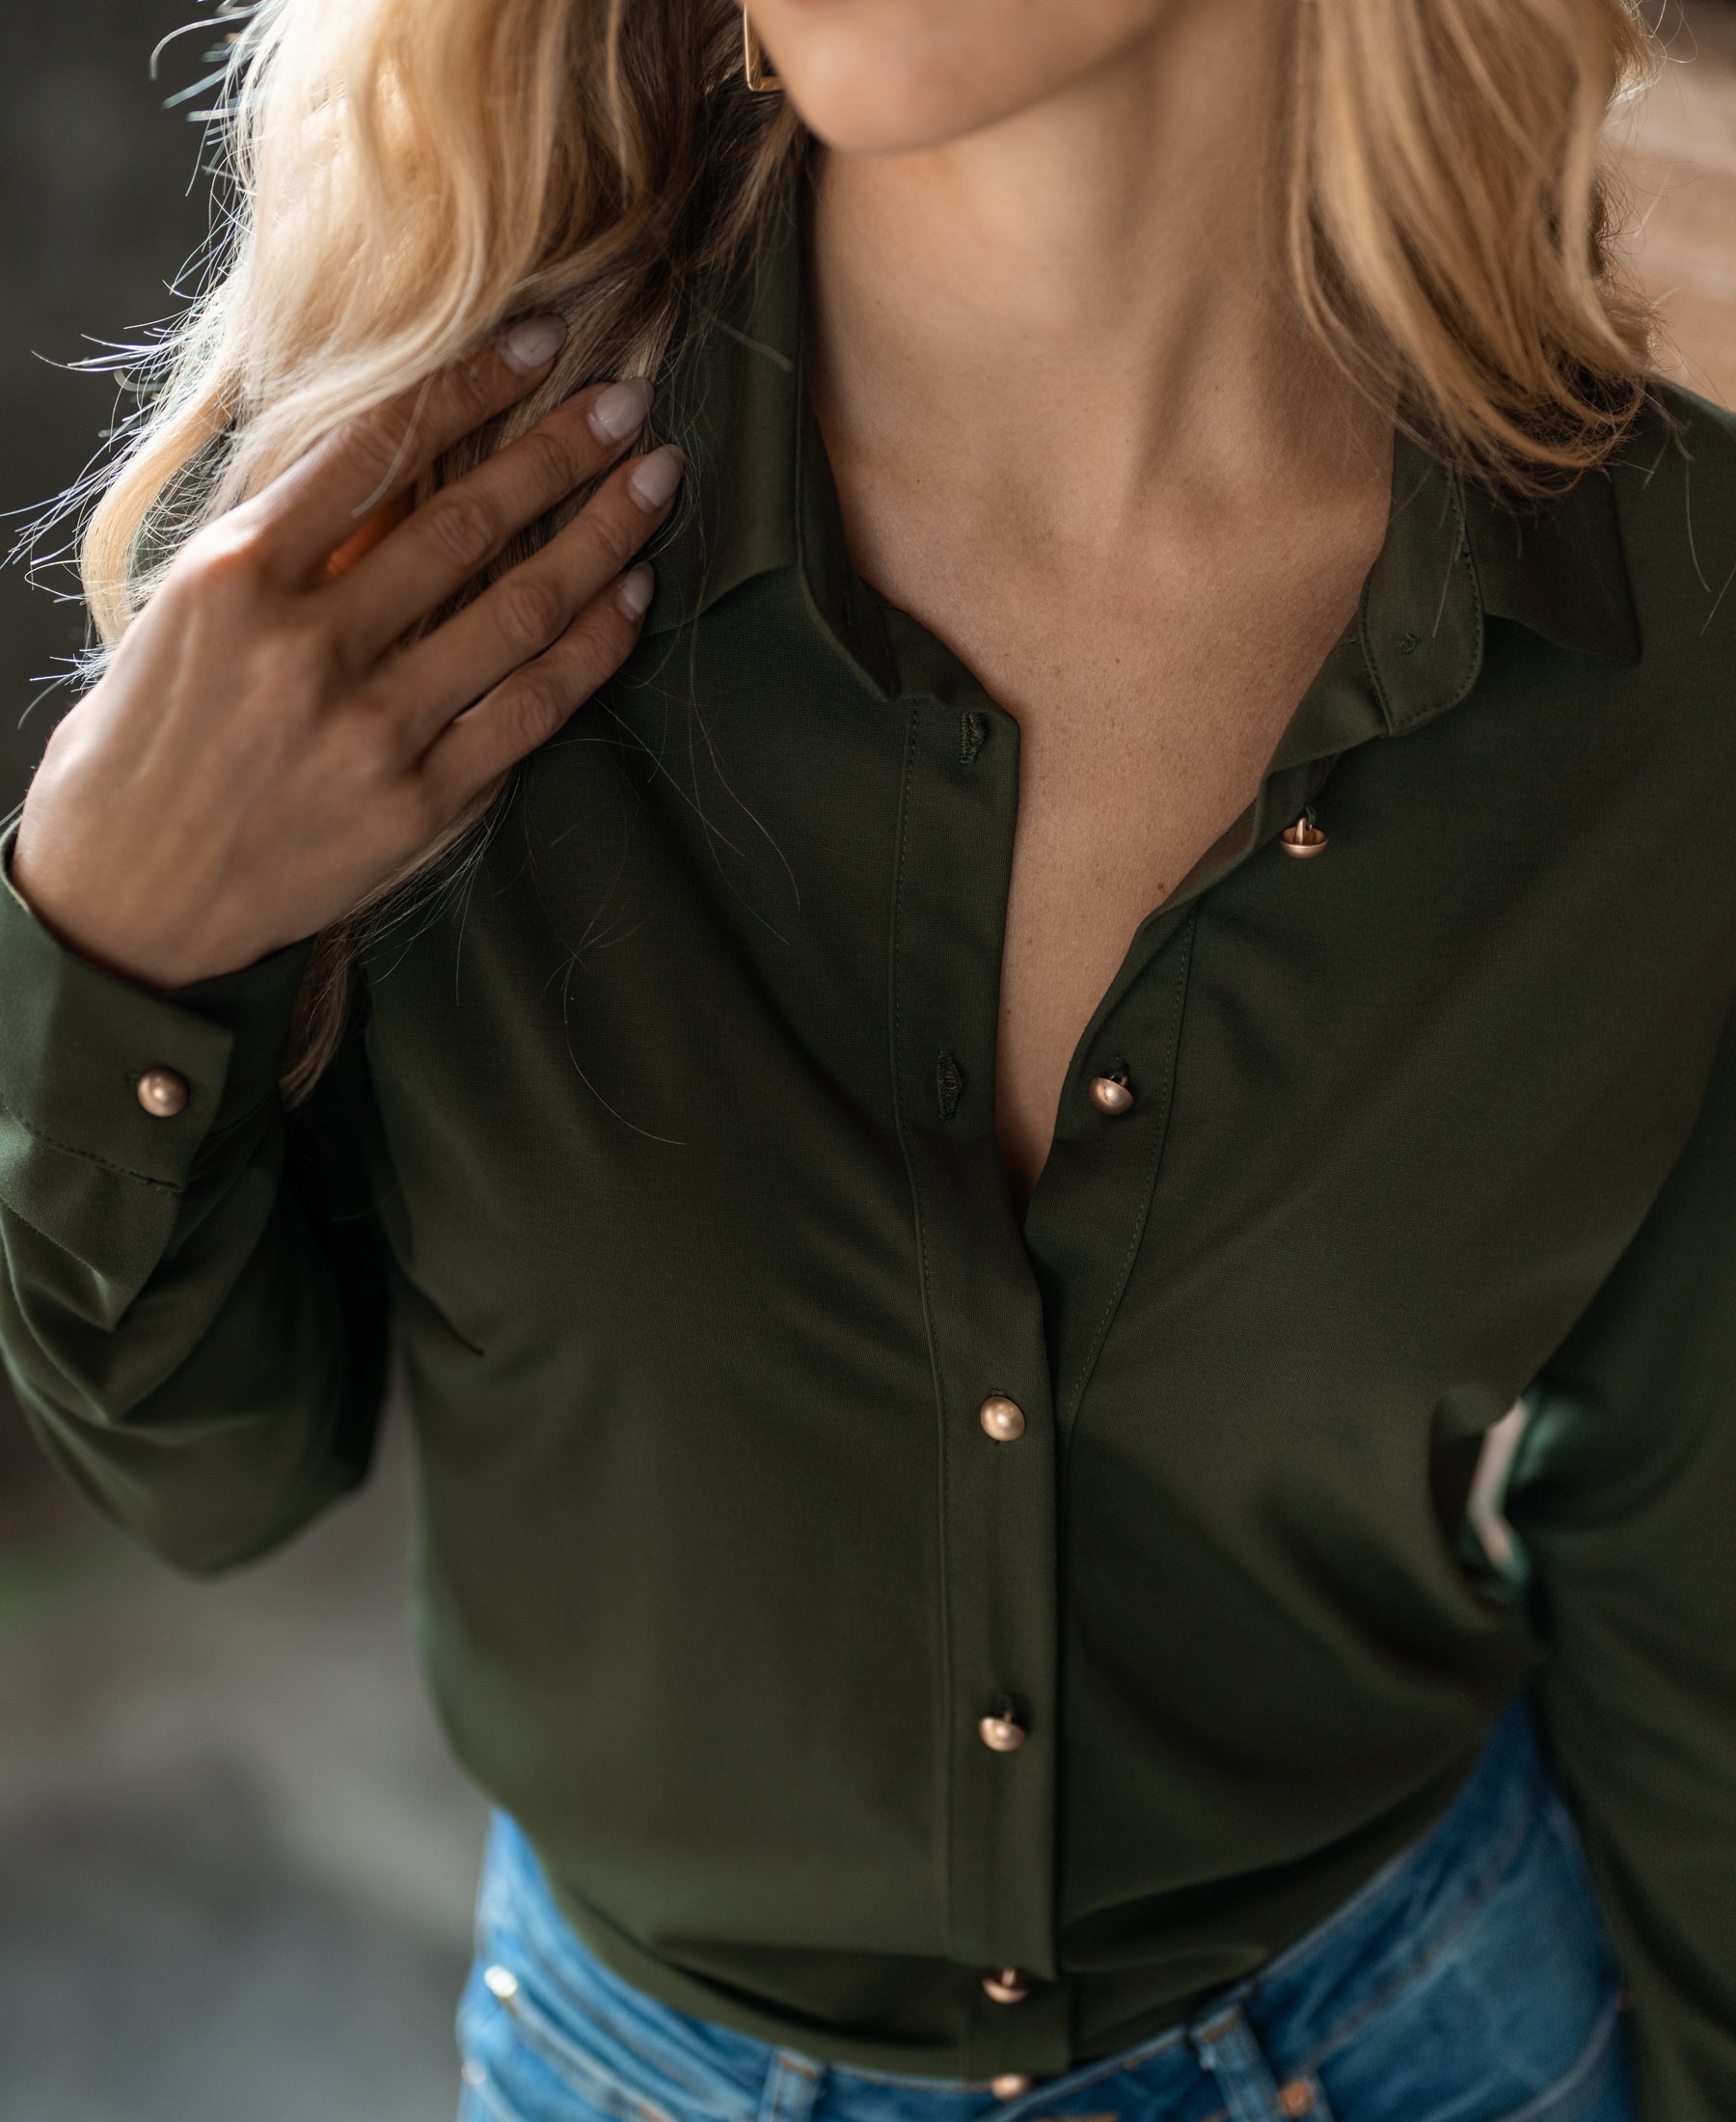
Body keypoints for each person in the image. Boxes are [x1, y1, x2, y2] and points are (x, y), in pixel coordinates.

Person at [1, 0, 1732, 2116]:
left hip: (1446, 2035)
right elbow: (212, 1461)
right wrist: (115, 946)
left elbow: (1680, 1519)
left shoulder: (1670, 620)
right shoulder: (413, 543)